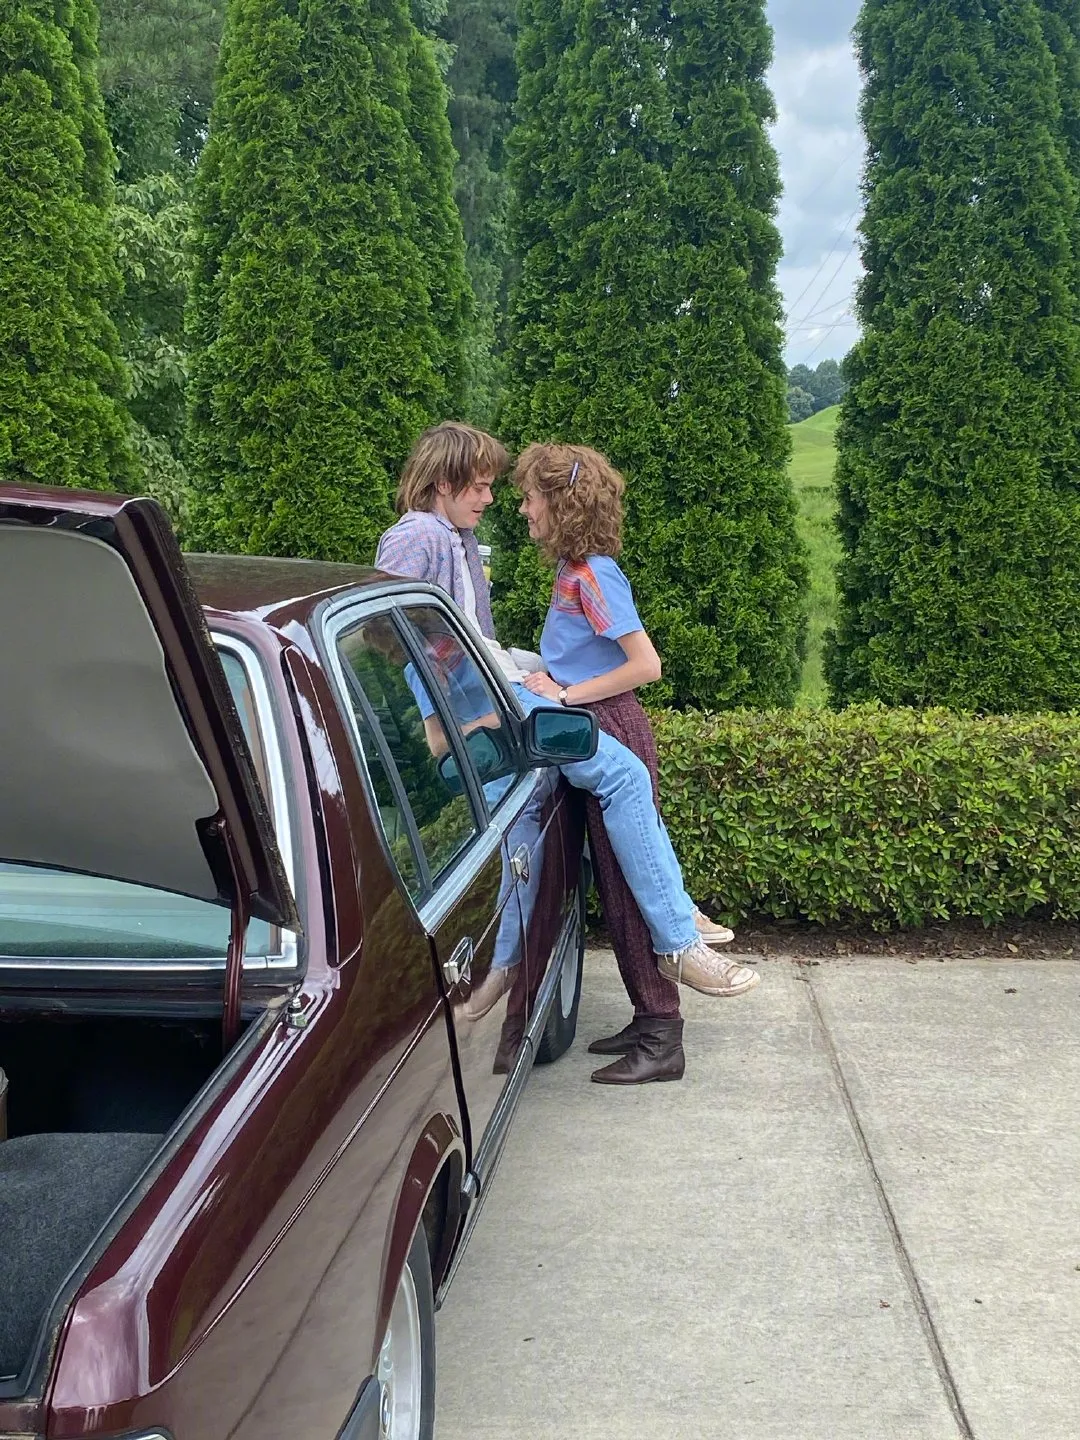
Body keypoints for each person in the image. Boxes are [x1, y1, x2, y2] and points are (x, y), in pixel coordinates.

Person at [375, 423, 760, 1084]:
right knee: (580, 817)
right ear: (443, 482)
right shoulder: (424, 535)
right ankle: (666, 949)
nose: (499, 500)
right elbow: (396, 624)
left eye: (516, 492)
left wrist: (522, 687)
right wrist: (455, 704)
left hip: (541, 704)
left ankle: (663, 961)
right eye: (482, 486)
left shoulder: (489, 548)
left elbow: (627, 662)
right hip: (501, 700)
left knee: (593, 821)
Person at [514, 442, 750, 1082]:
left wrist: (564, 695)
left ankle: (664, 1038)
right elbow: (575, 656)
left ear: (561, 503)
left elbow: (646, 665)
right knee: (618, 890)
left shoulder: (593, 576)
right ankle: (649, 1021)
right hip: (592, 723)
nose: (523, 509)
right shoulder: (572, 572)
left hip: (608, 724)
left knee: (627, 888)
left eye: (530, 498)